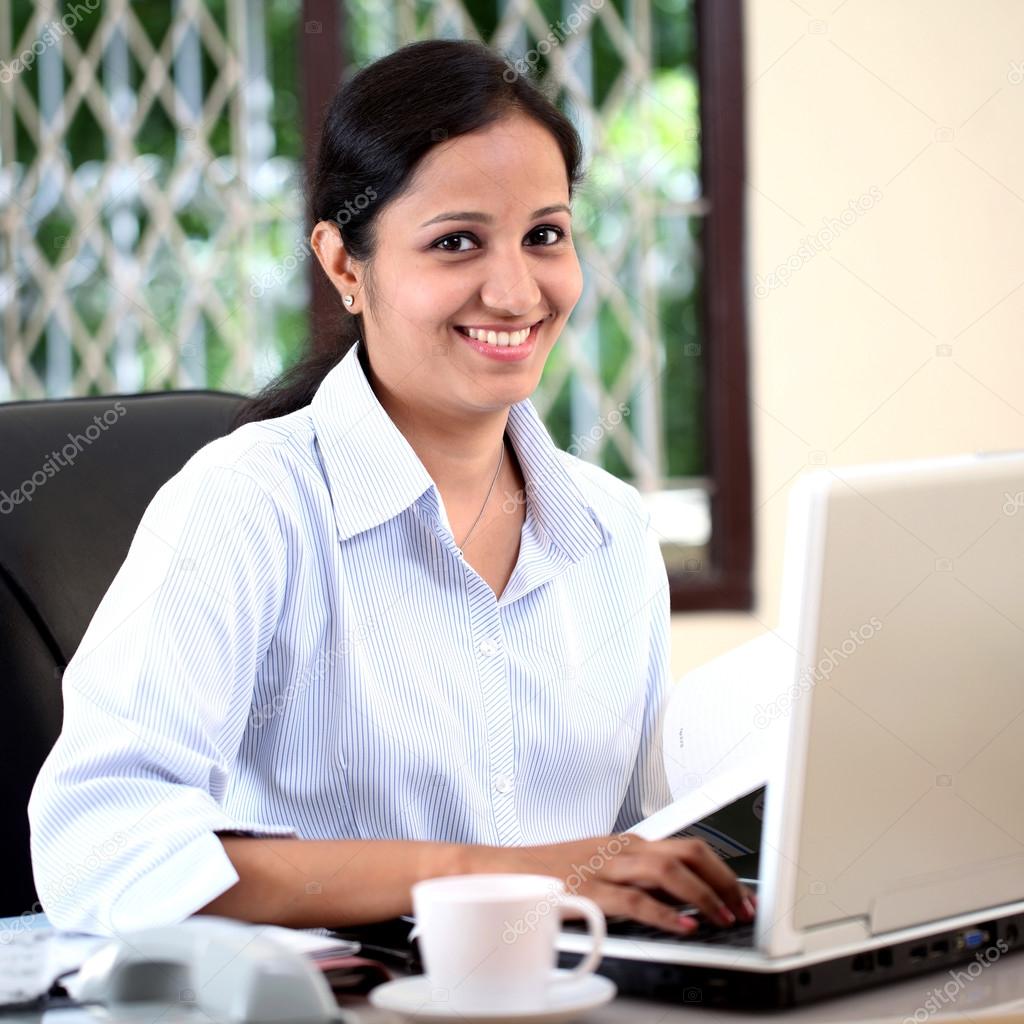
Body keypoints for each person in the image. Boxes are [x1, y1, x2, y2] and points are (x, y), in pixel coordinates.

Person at [29, 38, 755, 938]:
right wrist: (487, 877)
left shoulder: (611, 525)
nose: (516, 289)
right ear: (344, 265)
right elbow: (102, 849)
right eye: (456, 242)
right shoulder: (248, 503)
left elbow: (633, 840)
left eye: (546, 235)